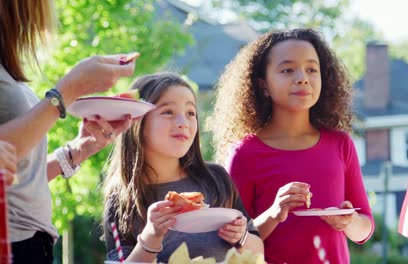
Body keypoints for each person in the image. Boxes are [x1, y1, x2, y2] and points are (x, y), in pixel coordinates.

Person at [208, 28, 375, 264]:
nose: (302, 77)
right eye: (287, 70)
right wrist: (274, 213)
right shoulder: (244, 154)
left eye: (311, 69)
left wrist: (350, 222)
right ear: (263, 85)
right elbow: (232, 242)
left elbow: (365, 229)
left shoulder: (341, 144)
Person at [0, 1, 137, 263]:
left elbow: (16, 169)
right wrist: (64, 94)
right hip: (15, 243)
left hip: (32, 243)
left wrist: (77, 150)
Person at [102, 72, 264, 263]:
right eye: (168, 112)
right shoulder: (121, 202)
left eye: (190, 113)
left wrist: (241, 236)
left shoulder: (216, 178)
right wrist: (151, 237)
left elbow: (258, 250)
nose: (183, 123)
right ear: (137, 122)